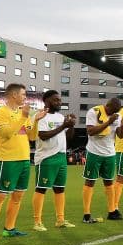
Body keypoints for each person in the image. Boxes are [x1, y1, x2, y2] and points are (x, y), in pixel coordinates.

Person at [0, 84, 34, 241]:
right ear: (13, 95)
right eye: (23, 94)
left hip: (24, 159)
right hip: (8, 160)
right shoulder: (0, 113)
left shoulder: (21, 114)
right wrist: (24, 117)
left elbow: (32, 137)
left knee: (18, 196)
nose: (25, 98)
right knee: (0, 196)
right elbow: (6, 133)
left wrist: (36, 120)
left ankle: (9, 228)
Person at [30, 89, 76, 230]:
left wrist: (71, 125)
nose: (59, 102)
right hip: (47, 157)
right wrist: (63, 126)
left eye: (60, 100)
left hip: (61, 156)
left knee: (60, 189)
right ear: (47, 101)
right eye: (56, 100)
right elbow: (43, 135)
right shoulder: (41, 116)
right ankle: (37, 222)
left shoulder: (61, 117)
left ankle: (60, 219)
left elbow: (67, 137)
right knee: (41, 189)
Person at [81, 96, 121, 223]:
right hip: (94, 152)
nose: (114, 113)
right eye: (112, 110)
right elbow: (91, 131)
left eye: (116, 111)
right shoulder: (94, 111)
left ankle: (112, 211)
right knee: (90, 181)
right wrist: (109, 121)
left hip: (110, 153)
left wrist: (122, 125)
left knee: (109, 182)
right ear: (107, 106)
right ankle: (86, 214)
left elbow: (120, 135)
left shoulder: (116, 116)